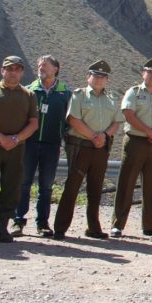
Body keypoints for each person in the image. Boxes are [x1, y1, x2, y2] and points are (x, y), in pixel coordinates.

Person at [53, 60, 123, 240]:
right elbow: (73, 119)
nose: (99, 79)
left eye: (103, 77)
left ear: (106, 80)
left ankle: (93, 227)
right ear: (88, 77)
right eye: (96, 75)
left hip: (101, 149)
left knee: (95, 188)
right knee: (72, 186)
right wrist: (94, 136)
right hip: (80, 146)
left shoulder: (112, 98)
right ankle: (60, 227)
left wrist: (104, 137)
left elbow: (117, 122)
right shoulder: (79, 95)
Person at [110, 58, 152, 238]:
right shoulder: (134, 92)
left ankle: (150, 225)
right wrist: (148, 131)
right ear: (143, 73)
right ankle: (118, 225)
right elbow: (128, 114)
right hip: (136, 141)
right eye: (149, 71)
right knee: (127, 183)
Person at [0, 56, 39, 242]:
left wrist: (16, 139)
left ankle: (1, 229)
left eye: (17, 69)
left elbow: (34, 123)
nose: (13, 72)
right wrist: (1, 138)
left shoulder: (29, 95)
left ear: (22, 72)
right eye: (9, 69)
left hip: (15, 149)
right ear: (2, 70)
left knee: (11, 187)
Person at [15, 55, 71, 237]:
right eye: (39, 65)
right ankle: (18, 221)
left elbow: (69, 119)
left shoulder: (65, 93)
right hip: (29, 144)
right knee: (24, 183)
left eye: (45, 65)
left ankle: (43, 224)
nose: (41, 68)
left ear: (56, 68)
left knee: (46, 186)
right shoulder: (29, 90)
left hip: (51, 145)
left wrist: (60, 135)